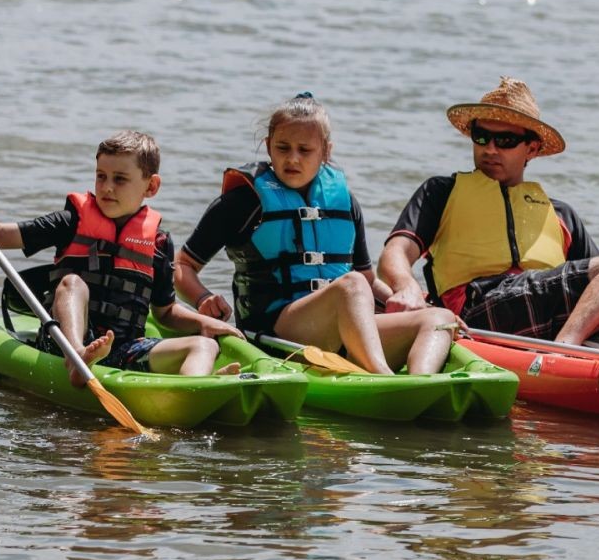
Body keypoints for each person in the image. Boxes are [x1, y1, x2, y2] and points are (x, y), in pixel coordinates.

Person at [378, 77, 599, 352]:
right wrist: (405, 284)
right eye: (481, 137)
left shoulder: (561, 214)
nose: (490, 149)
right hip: (481, 308)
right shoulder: (442, 191)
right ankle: (567, 348)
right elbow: (395, 253)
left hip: (548, 309)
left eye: (505, 141)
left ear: (531, 149)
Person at [178, 93, 458, 377]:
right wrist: (203, 298)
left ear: (326, 151)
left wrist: (414, 306)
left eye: (305, 150)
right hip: (279, 332)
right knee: (351, 284)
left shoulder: (345, 202)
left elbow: (369, 281)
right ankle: (381, 376)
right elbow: (183, 266)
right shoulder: (244, 201)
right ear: (268, 147)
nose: (293, 158)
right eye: (283, 148)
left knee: (440, 319)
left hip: (342, 330)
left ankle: (422, 382)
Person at [0, 131, 238, 384]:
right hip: (62, 343)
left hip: (125, 349)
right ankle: (77, 360)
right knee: (72, 282)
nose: (107, 187)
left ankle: (195, 387)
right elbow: (1, 236)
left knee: (204, 346)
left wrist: (202, 322)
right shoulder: (71, 220)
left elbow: (165, 312)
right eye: (101, 176)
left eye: (120, 179)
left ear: (150, 186)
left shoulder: (159, 242)